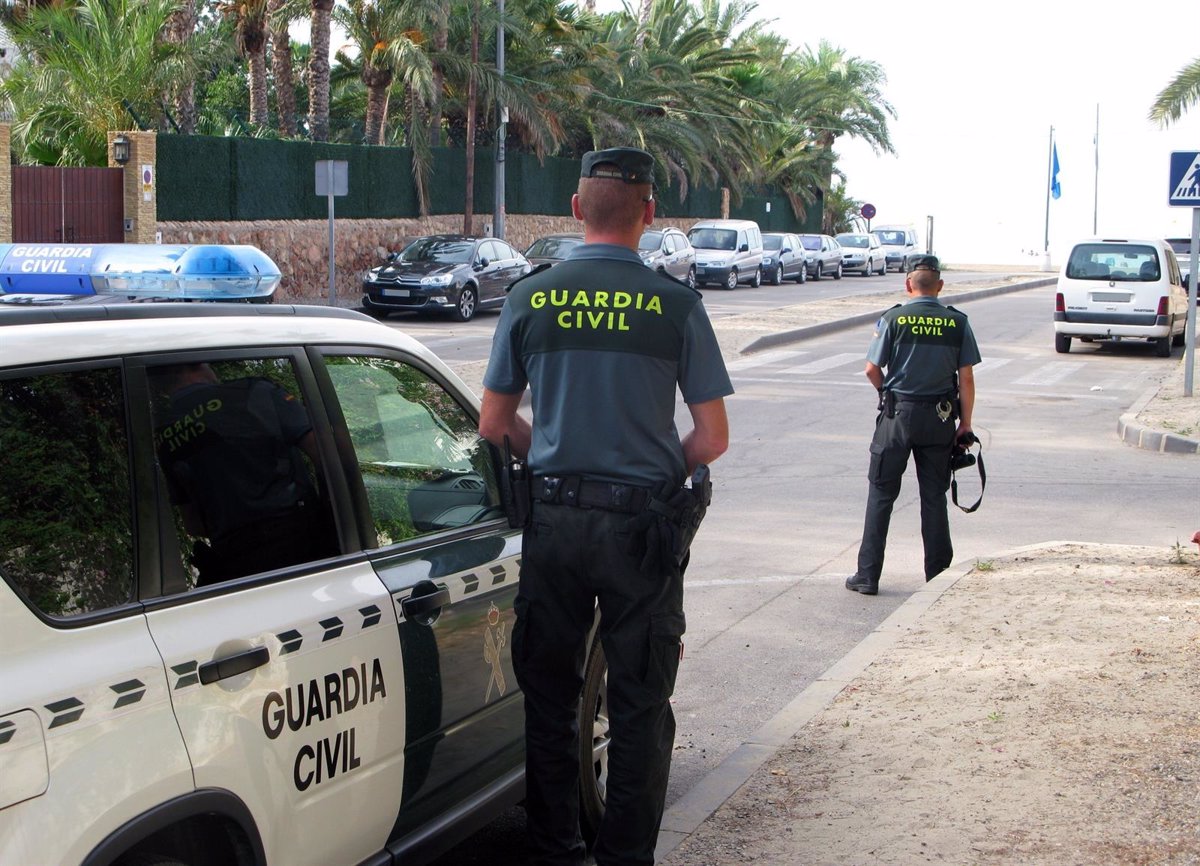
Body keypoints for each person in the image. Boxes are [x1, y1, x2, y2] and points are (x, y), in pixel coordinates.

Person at [478, 146, 732, 866]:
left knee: (551, 704)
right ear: (649, 214)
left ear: (575, 209)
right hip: (643, 532)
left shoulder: (531, 297)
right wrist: (656, 470)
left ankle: (557, 852)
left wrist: (553, 450)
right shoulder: (676, 305)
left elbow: (494, 425)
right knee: (639, 707)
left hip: (555, 523)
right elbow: (711, 438)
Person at [845, 255, 981, 595]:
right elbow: (967, 378)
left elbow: (871, 369)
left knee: (881, 494)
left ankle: (867, 576)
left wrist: (885, 394)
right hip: (939, 419)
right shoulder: (957, 323)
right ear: (939, 286)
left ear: (908, 285)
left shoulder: (893, 318)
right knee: (933, 496)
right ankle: (937, 578)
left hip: (897, 417)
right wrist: (965, 423)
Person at [153, 362, 331, 586]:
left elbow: (194, 525)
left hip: (238, 571)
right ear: (197, 362)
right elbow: (329, 457)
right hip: (305, 552)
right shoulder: (255, 393)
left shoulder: (164, 435)